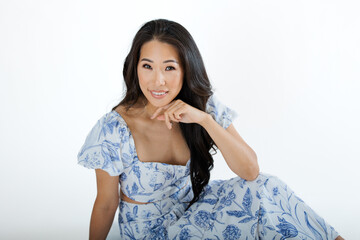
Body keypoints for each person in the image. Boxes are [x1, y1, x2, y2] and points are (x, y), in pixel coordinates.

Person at [77, 19, 343, 240]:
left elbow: (251, 171)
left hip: (196, 214)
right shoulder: (115, 128)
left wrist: (204, 120)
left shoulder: (202, 106)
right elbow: (106, 203)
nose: (157, 80)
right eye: (147, 66)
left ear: (186, 69)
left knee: (265, 187)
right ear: (135, 68)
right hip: (151, 233)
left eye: (169, 67)